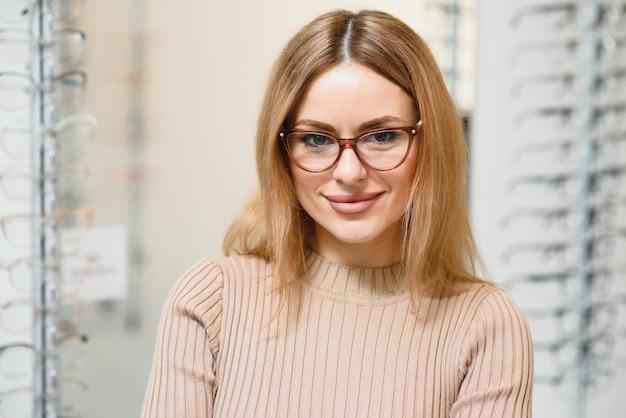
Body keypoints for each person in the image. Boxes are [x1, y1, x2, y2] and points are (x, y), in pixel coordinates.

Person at [141, 9, 533, 418]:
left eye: (382, 136)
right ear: (281, 154)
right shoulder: (211, 301)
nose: (349, 172)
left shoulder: (486, 327)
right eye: (315, 139)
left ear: (430, 144)